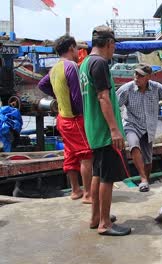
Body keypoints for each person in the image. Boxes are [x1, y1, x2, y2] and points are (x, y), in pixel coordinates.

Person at [79, 25, 131, 236]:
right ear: (109, 43)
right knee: (107, 178)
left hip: (93, 128)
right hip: (104, 130)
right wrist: (114, 130)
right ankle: (105, 224)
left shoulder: (84, 63)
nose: (113, 50)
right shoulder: (100, 63)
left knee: (98, 174)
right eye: (113, 46)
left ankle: (95, 218)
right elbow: (103, 97)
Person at [38, 35, 93, 203]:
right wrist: (85, 114)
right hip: (74, 118)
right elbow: (77, 98)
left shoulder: (55, 68)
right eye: (76, 48)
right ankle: (89, 194)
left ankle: (75, 190)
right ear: (71, 48)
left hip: (61, 118)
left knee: (70, 153)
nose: (78, 52)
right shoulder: (71, 66)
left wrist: (59, 94)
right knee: (86, 155)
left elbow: (42, 85)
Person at [116, 63, 162, 192]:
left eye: (140, 75)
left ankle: (145, 181)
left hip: (149, 127)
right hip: (132, 124)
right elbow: (113, 104)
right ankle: (143, 179)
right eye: (135, 74)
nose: (136, 77)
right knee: (134, 146)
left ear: (148, 77)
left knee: (148, 160)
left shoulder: (156, 88)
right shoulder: (126, 89)